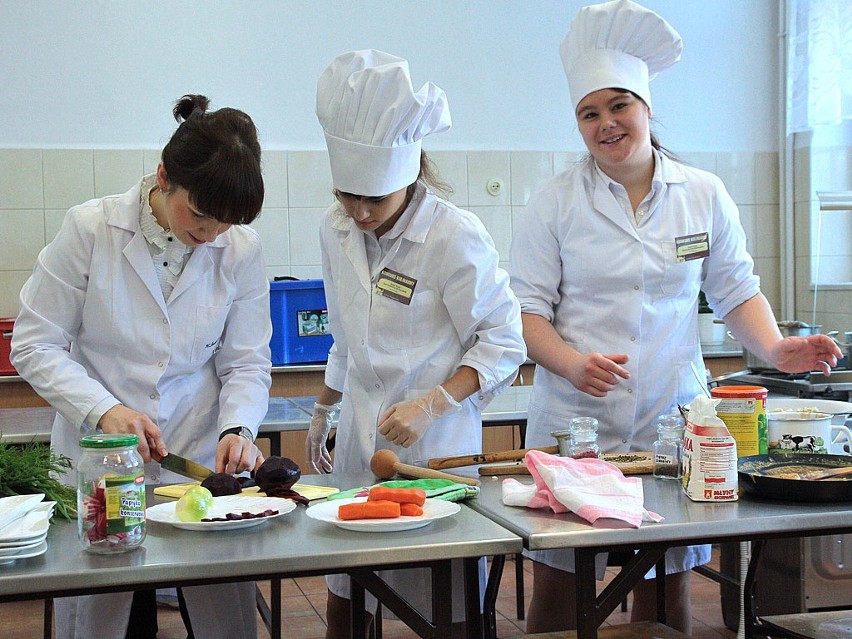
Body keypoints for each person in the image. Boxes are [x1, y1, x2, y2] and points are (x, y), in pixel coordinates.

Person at [509, 1, 842, 635]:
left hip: (671, 419)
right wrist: (572, 362)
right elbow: (527, 312)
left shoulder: (703, 193)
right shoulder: (554, 203)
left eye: (618, 106)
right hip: (576, 423)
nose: (606, 123)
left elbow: (736, 290)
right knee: (557, 577)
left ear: (646, 107)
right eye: (590, 113)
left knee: (663, 581)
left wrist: (775, 348)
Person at [11, 94, 272, 639]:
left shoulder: (241, 250)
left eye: (225, 223)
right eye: (199, 214)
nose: (210, 234)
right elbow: (34, 344)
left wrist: (239, 428)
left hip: (195, 453)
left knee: (220, 617)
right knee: (105, 618)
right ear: (162, 177)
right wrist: (104, 411)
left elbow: (246, 361)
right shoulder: (89, 230)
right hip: (99, 458)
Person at [308, 49, 527, 639]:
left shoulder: (454, 237)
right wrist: (325, 407)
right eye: (345, 195)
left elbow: (504, 342)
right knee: (348, 593)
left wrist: (432, 403)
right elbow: (345, 334)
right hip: (359, 440)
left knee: (443, 597)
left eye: (372, 200)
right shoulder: (335, 229)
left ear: (409, 178)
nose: (357, 213)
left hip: (433, 448)